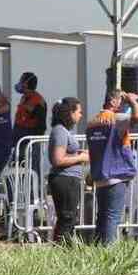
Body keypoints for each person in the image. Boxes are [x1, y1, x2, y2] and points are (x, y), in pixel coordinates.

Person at [87, 90, 138, 244]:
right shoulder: (116, 119)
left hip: (101, 174)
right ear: (112, 102)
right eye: (120, 99)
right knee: (113, 217)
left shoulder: (93, 122)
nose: (122, 103)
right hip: (116, 174)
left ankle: (98, 249)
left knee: (103, 216)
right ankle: (108, 251)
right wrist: (132, 101)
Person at [47, 97, 88, 244]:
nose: (81, 115)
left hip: (69, 178)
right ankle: (60, 251)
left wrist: (78, 154)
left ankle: (63, 249)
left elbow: (64, 155)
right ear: (70, 113)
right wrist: (80, 157)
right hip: (65, 179)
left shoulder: (63, 131)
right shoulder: (60, 131)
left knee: (69, 218)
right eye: (79, 112)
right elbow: (57, 160)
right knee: (67, 218)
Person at [13, 72, 47, 162]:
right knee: (17, 167)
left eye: (21, 81)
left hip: (29, 141)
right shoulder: (25, 97)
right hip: (20, 139)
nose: (19, 83)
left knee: (31, 167)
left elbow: (40, 125)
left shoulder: (37, 101)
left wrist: (34, 142)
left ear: (26, 84)